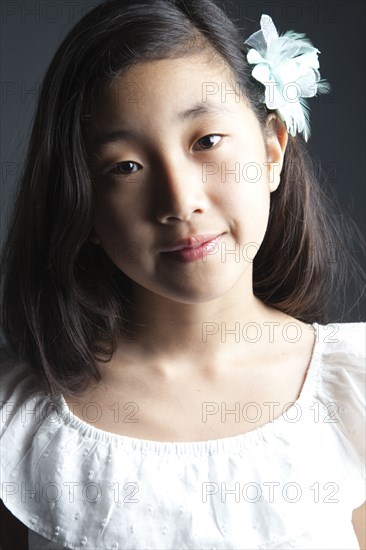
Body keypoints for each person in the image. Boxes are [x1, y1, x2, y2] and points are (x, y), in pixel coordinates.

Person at [0, 0, 365, 549]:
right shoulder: (18, 418)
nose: (179, 200)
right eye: (126, 167)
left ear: (271, 151)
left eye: (206, 142)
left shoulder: (354, 390)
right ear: (83, 204)